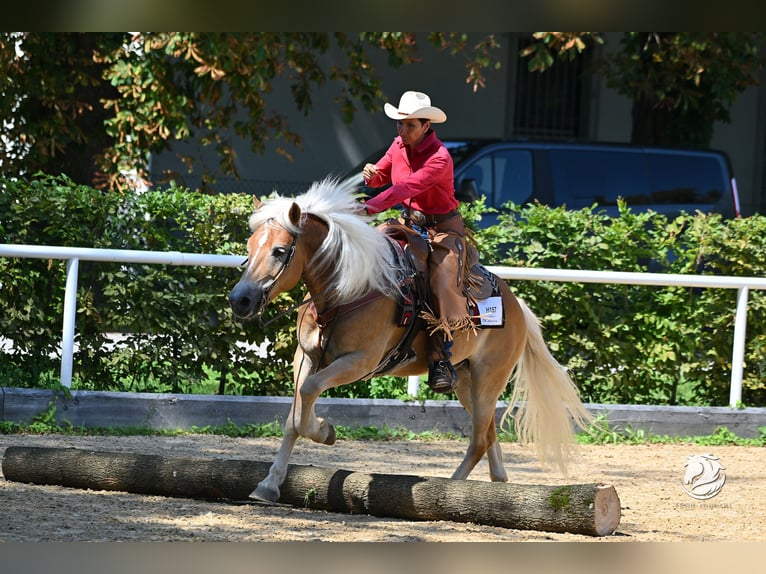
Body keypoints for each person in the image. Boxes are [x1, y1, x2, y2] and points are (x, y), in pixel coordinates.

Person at [362, 90, 474, 394]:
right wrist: (371, 174)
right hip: (408, 224)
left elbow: (408, 186)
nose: (402, 131)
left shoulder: (440, 157)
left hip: (443, 230)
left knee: (440, 283)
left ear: (427, 126)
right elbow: (381, 176)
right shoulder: (398, 145)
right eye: (400, 124)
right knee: (371, 253)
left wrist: (370, 206)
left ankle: (440, 358)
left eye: (410, 125)